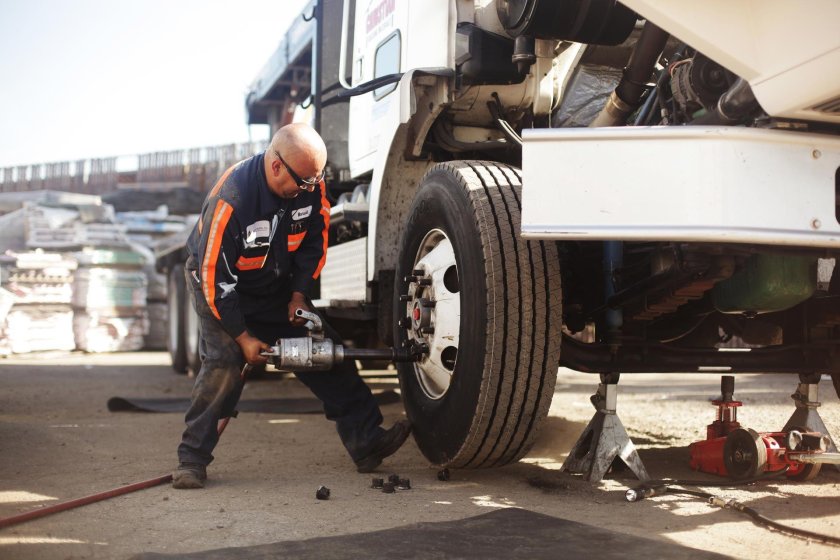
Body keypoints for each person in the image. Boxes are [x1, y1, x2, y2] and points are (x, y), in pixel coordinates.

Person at [172, 123, 411, 489]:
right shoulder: (232, 200)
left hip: (275, 287)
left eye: (316, 181)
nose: (310, 189)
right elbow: (215, 279)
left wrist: (298, 295)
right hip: (219, 287)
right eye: (303, 182)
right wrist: (242, 337)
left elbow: (315, 241)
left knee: (324, 351)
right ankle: (191, 459)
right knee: (224, 363)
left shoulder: (310, 185)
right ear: (276, 166)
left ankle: (366, 440)